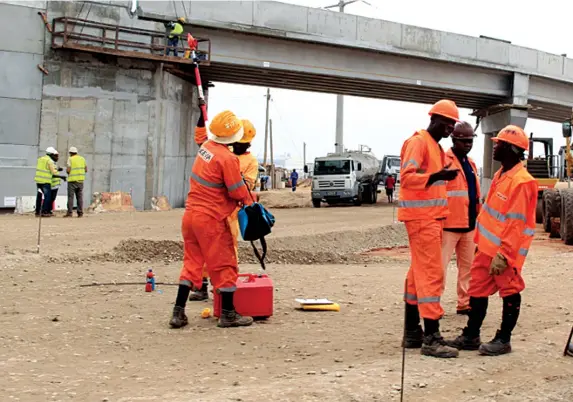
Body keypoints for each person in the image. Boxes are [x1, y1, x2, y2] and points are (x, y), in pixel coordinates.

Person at [447, 125, 537, 356]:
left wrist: (505, 255)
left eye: (499, 144)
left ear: (512, 149)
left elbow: (515, 223)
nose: (494, 147)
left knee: (510, 290)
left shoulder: (522, 181)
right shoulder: (501, 175)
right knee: (476, 288)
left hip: (504, 252)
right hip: (486, 249)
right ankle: (471, 335)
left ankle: (504, 339)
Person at [170, 110, 254, 329]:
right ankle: (228, 314)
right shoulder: (227, 159)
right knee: (224, 263)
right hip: (211, 219)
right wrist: (251, 201)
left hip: (190, 216)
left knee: (192, 263)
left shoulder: (206, 148)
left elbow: (200, 136)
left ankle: (178, 313)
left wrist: (200, 114)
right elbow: (237, 191)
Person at [399, 99, 461, 358]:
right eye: (447, 123)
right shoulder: (419, 143)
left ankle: (413, 332)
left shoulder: (435, 147)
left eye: (453, 124)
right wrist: (437, 176)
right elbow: (407, 176)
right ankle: (431, 337)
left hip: (431, 218)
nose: (450, 129)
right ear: (434, 119)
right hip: (422, 219)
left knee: (418, 275)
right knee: (431, 275)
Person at [441, 122, 481, 316]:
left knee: (468, 269)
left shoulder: (471, 164)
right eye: (464, 141)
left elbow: (474, 195)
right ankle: (433, 305)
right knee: (439, 268)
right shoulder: (444, 161)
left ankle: (464, 303)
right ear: (454, 140)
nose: (467, 144)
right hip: (448, 225)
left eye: (470, 141)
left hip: (469, 224)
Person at [34, 147, 62, 217]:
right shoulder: (49, 161)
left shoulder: (40, 159)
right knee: (48, 197)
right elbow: (53, 172)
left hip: (38, 181)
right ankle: (44, 211)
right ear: (51, 154)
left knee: (39, 196)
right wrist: (58, 171)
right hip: (45, 181)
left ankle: (37, 211)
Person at [65, 147, 87, 218]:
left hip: (72, 181)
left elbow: (68, 170)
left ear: (70, 153)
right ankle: (80, 213)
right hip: (80, 181)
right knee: (79, 197)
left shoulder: (70, 159)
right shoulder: (82, 159)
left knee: (71, 197)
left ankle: (69, 213)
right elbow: (86, 169)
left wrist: (68, 171)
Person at [48, 150, 66, 214]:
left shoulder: (54, 163)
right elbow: (52, 174)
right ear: (52, 156)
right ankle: (48, 210)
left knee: (52, 198)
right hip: (51, 184)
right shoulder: (50, 163)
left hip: (55, 185)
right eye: (56, 156)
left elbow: (54, 171)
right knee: (50, 198)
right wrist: (61, 177)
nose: (57, 158)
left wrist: (58, 169)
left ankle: (49, 210)